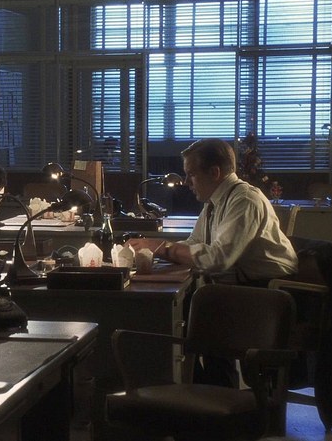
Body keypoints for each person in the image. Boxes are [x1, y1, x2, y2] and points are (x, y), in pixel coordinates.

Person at [127, 138, 298, 388]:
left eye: (191, 174)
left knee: (198, 309)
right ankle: (201, 388)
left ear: (215, 173)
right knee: (187, 309)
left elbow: (218, 259)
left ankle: (211, 391)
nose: (186, 182)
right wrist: (153, 250)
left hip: (270, 291)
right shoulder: (214, 203)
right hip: (242, 286)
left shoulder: (244, 200)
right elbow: (194, 243)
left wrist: (162, 247)